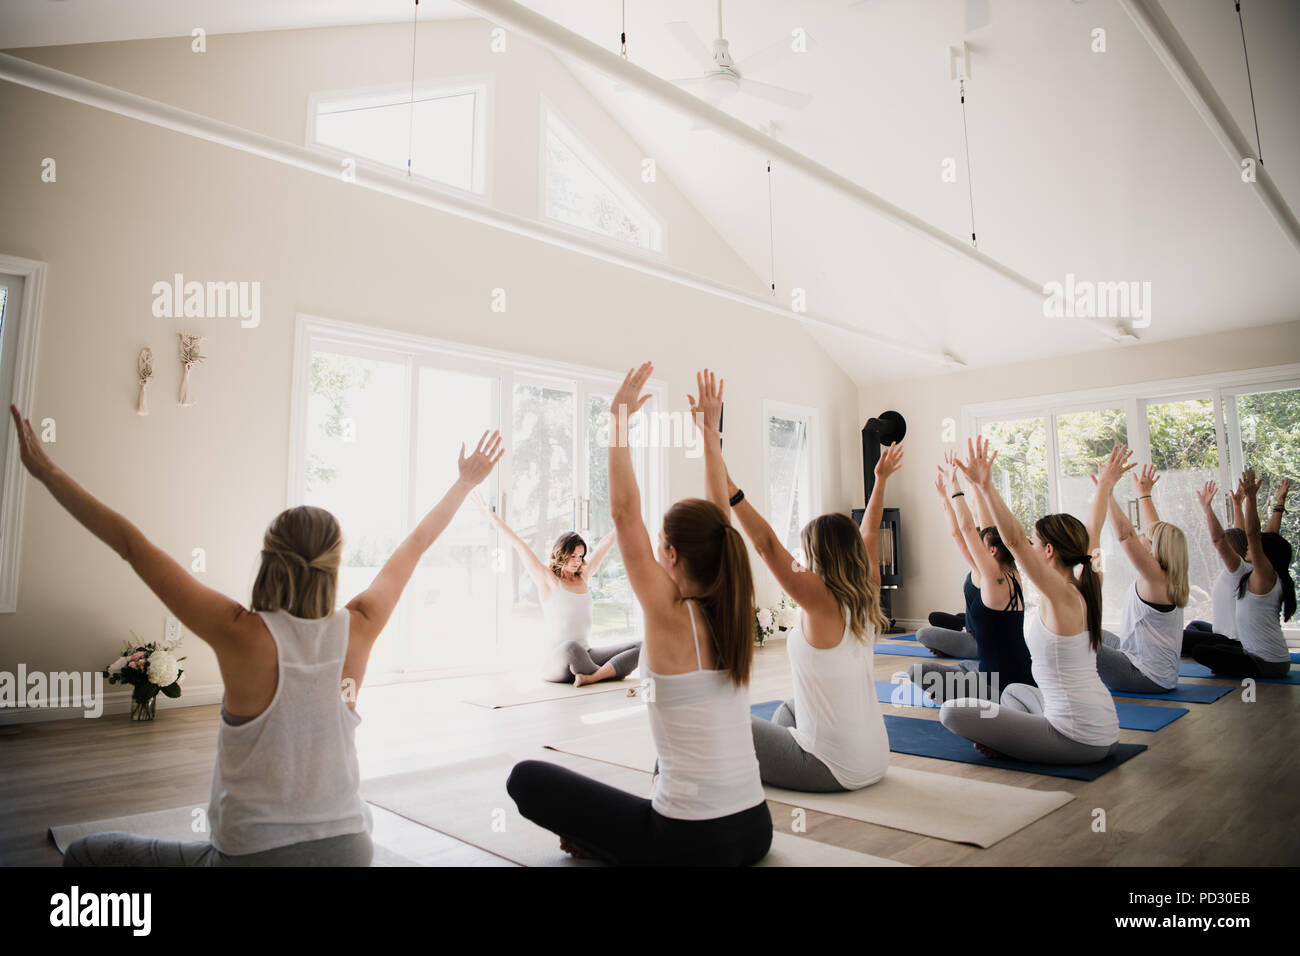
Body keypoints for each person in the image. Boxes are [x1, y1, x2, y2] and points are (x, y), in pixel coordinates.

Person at [5, 405, 503, 866]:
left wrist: (47, 472)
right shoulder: (362, 624)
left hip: (251, 858)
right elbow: (416, 545)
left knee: (88, 854)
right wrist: (464, 483)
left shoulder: (238, 631)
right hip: (351, 850)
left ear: (270, 556)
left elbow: (133, 546)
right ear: (334, 563)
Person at [506, 367, 771, 865]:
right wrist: (710, 437)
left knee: (526, 777)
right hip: (755, 830)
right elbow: (718, 518)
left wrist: (617, 423)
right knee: (660, 767)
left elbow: (626, 514)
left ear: (670, 557)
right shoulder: (731, 607)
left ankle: (611, 848)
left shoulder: (668, 614)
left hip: (689, 845)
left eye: (660, 546)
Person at [727, 438, 899, 792]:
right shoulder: (867, 588)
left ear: (817, 555)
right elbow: (868, 531)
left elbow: (766, 545)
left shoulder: (820, 600)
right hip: (876, 760)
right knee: (790, 709)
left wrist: (728, 485)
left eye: (805, 551)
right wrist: (880, 480)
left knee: (722, 722)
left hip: (830, 768)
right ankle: (769, 759)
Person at [938, 437, 1121, 765]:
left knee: (952, 712)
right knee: (1014, 694)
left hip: (1075, 738)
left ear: (1049, 550)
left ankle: (1014, 743)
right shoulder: (1088, 584)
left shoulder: (1060, 594)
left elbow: (1013, 540)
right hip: (1104, 729)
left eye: (1036, 542)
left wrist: (986, 485)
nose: (1030, 547)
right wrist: (1104, 486)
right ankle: (1015, 739)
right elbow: (1093, 530)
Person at [473, 496, 637, 686]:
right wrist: (492, 517)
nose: (577, 560)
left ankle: (592, 676)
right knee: (571, 648)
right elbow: (519, 545)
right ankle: (607, 672)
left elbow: (604, 545)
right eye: (573, 555)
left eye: (581, 556)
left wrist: (625, 518)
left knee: (640, 646)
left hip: (586, 656)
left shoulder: (583, 576)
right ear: (562, 553)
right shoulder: (549, 580)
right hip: (557, 661)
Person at [910, 456, 1032, 703]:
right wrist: (976, 483)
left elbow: (963, 530)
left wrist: (954, 488)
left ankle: (972, 696)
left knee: (917, 672)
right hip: (1021, 676)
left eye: (982, 542)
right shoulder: (1012, 573)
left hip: (1002, 686)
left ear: (993, 551)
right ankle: (965, 692)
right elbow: (985, 525)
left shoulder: (991, 577)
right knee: (965, 668)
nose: (977, 537)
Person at [1091, 464, 1189, 693]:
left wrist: (1107, 493)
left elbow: (1125, 536)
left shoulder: (1156, 579)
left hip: (1144, 676)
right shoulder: (1167, 575)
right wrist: (1144, 494)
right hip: (1148, 667)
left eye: (1145, 536)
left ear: (1156, 548)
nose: (1141, 536)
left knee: (1075, 639)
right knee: (1088, 630)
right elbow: (1157, 530)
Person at [1189, 470, 1296, 679]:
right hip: (1270, 659)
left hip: (1266, 663)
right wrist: (1278, 503)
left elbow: (1253, 534)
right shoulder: (1270, 576)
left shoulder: (1264, 578)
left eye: (1254, 547)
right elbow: (1268, 536)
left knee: (1200, 651)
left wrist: (1252, 499)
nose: (1248, 547)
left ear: (1264, 554)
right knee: (1210, 647)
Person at [1183, 479, 1252, 655]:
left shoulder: (1238, 570)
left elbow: (1220, 540)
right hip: (1224, 635)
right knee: (1195, 626)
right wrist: (1237, 505)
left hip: (1232, 641)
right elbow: (1240, 535)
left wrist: (1207, 509)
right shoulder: (1246, 566)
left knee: (1178, 636)